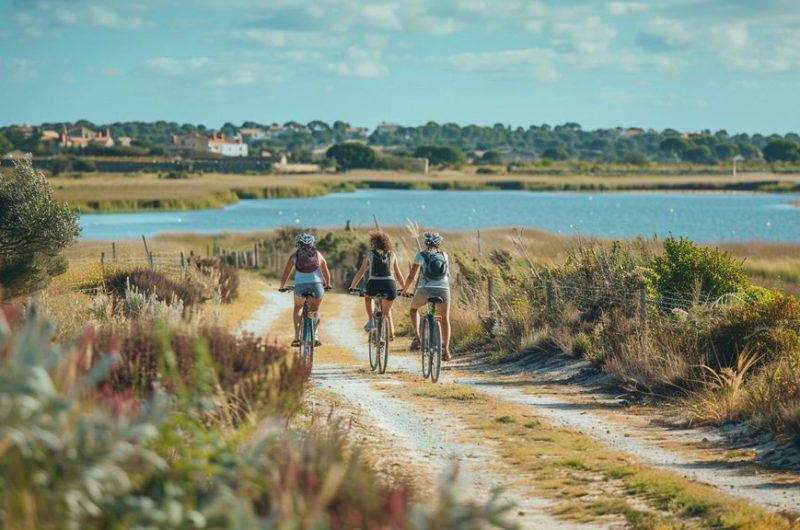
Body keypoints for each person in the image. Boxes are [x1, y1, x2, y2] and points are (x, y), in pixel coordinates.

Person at [400, 232, 452, 361]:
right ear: (438, 244)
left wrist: (404, 290)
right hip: (443, 289)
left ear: (426, 243)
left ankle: (418, 337)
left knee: (413, 309)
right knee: (444, 317)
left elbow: (411, 277)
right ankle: (446, 349)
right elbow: (447, 274)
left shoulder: (420, 255)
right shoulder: (445, 255)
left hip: (425, 289)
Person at [278, 232, 332, 347]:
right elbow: (325, 267)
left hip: (300, 286)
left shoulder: (294, 255)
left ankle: (297, 337)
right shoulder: (317, 254)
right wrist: (328, 284)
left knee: (298, 307)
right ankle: (315, 335)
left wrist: (282, 286)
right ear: (312, 243)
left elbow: (286, 272)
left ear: (298, 244)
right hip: (317, 286)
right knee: (315, 309)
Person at [349, 231, 406, 337]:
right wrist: (404, 288)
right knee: (386, 312)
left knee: (368, 297)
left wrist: (352, 286)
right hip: (390, 285)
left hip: (373, 285)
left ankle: (371, 320)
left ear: (373, 242)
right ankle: (387, 328)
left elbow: (361, 272)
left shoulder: (370, 254)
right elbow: (398, 274)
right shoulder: (392, 254)